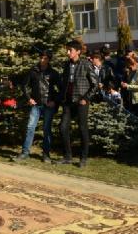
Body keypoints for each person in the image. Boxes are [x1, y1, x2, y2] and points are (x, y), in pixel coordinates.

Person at [56, 40, 98, 168]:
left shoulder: (86, 64)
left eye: (70, 50)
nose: (68, 52)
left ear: (78, 51)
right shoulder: (66, 65)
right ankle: (67, 157)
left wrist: (86, 98)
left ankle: (83, 158)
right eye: (67, 50)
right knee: (63, 128)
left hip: (81, 102)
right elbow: (64, 83)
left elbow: (95, 84)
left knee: (82, 129)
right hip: (68, 102)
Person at [15, 50, 61, 163]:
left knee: (47, 129)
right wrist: (29, 98)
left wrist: (54, 101)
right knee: (30, 127)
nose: (42, 60)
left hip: (48, 105)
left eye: (45, 58)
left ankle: (46, 154)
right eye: (41, 57)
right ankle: (25, 152)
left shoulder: (53, 73)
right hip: (36, 105)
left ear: (49, 59)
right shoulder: (33, 71)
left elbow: (61, 89)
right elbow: (24, 85)